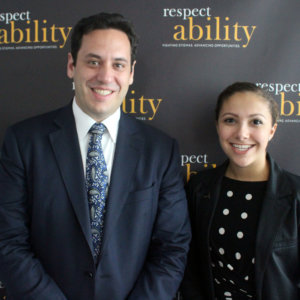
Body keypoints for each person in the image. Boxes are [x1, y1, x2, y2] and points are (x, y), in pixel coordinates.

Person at [0, 12, 191, 300]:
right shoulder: (23, 142)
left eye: (118, 64)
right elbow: (8, 241)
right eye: (93, 61)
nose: (105, 76)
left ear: (131, 73)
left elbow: (172, 248)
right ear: (71, 65)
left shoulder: (160, 151)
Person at [181, 82, 300, 300]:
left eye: (256, 122)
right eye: (230, 121)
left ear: (272, 130)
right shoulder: (199, 188)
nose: (242, 133)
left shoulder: (296, 195)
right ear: (218, 126)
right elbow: (191, 269)